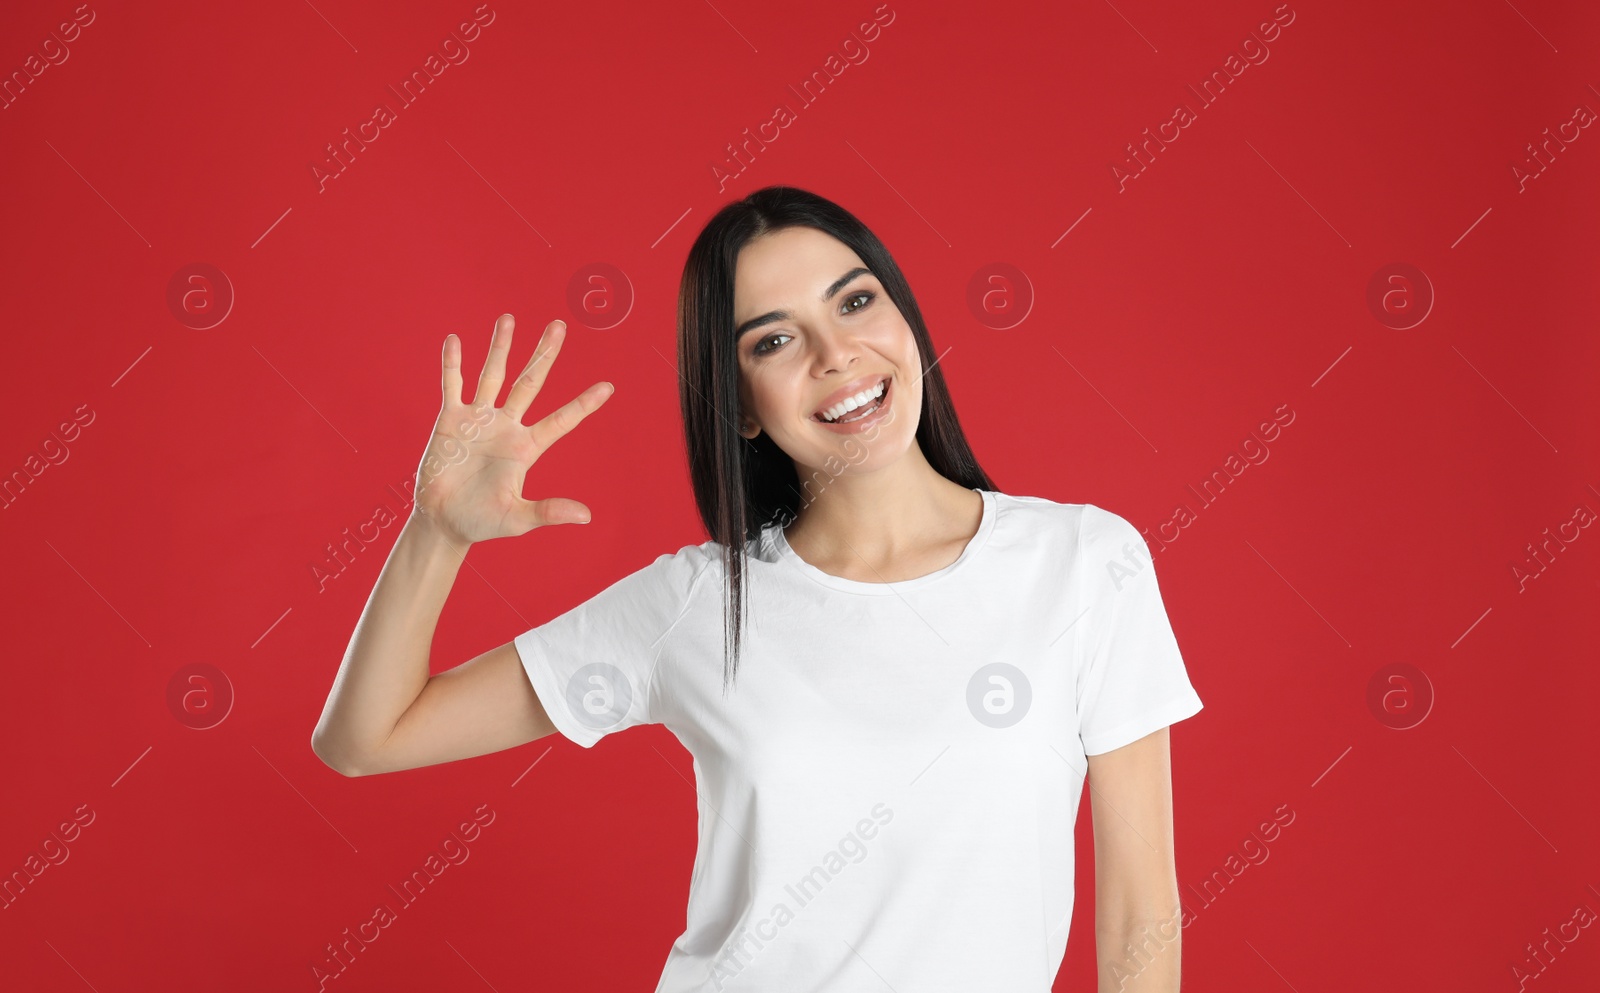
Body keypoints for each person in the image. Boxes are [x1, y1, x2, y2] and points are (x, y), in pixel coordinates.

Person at [311, 186, 1203, 992]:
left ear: (907, 321)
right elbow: (365, 739)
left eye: (856, 301)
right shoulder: (696, 603)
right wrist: (436, 532)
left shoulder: (1084, 561)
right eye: (774, 339)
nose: (837, 353)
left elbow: (1138, 910)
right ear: (737, 404)